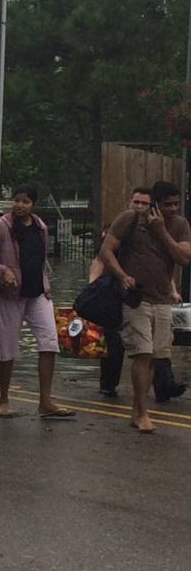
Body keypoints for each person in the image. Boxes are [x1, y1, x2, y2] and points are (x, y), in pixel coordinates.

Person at [99, 180, 191, 432]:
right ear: (155, 204)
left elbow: (183, 258)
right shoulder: (131, 219)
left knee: (155, 356)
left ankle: (138, 409)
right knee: (142, 353)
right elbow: (106, 251)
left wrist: (161, 230)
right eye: (166, 204)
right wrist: (122, 276)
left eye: (176, 204)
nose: (172, 209)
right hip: (136, 298)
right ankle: (142, 411)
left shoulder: (180, 225)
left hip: (163, 300)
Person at [0, 185, 74, 420]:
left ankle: (45, 400)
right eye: (16, 200)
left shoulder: (40, 227)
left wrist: (46, 284)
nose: (20, 205)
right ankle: (3, 399)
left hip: (37, 292)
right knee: (7, 347)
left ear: (33, 204)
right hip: (10, 294)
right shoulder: (1, 227)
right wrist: (3, 270)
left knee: (50, 342)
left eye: (25, 201)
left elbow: (41, 259)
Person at [89, 188, 151, 397]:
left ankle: (163, 386)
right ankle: (108, 384)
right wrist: (93, 286)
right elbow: (100, 257)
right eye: (136, 202)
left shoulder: (156, 230)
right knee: (113, 339)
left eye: (145, 203)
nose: (140, 207)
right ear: (129, 203)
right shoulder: (118, 228)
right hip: (114, 290)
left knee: (153, 341)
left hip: (144, 292)